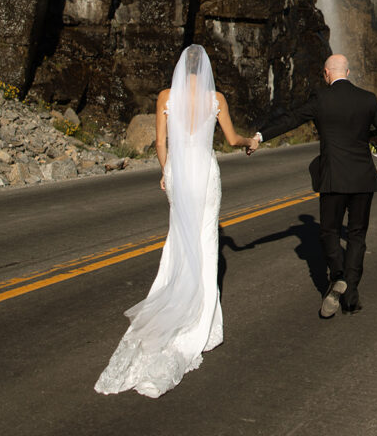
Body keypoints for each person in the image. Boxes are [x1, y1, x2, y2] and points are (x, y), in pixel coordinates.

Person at [95, 45, 258, 398]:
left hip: (179, 174)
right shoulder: (216, 99)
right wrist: (250, 142)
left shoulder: (166, 96)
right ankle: (201, 316)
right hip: (206, 174)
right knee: (206, 240)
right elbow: (232, 140)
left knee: (179, 238)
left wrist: (167, 171)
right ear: (207, 69)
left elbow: (160, 141)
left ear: (183, 67)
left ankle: (173, 298)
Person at [251, 53, 377, 318]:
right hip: (363, 177)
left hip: (333, 176)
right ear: (348, 72)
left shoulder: (320, 98)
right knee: (357, 235)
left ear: (326, 73)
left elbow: (291, 119)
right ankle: (351, 295)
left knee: (329, 231)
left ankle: (338, 275)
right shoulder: (367, 99)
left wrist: (260, 136)